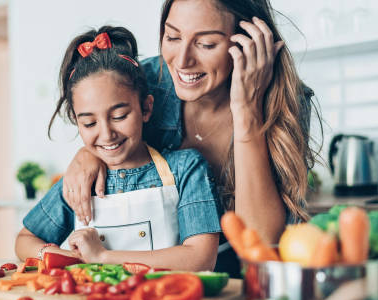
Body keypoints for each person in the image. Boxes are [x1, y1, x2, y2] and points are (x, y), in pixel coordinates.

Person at [61, 0, 321, 275]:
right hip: (156, 280)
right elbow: (104, 129)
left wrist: (247, 113)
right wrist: (87, 153)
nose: (182, 60)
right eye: (172, 36)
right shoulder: (148, 81)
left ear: (249, 42)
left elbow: (260, 244)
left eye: (206, 44)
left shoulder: (285, 102)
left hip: (244, 283)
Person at [15, 26, 222, 271]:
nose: (106, 134)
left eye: (119, 116)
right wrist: (65, 257)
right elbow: (24, 241)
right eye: (89, 122)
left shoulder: (185, 168)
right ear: (76, 119)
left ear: (146, 108)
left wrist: (102, 257)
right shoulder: (78, 183)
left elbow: (200, 259)